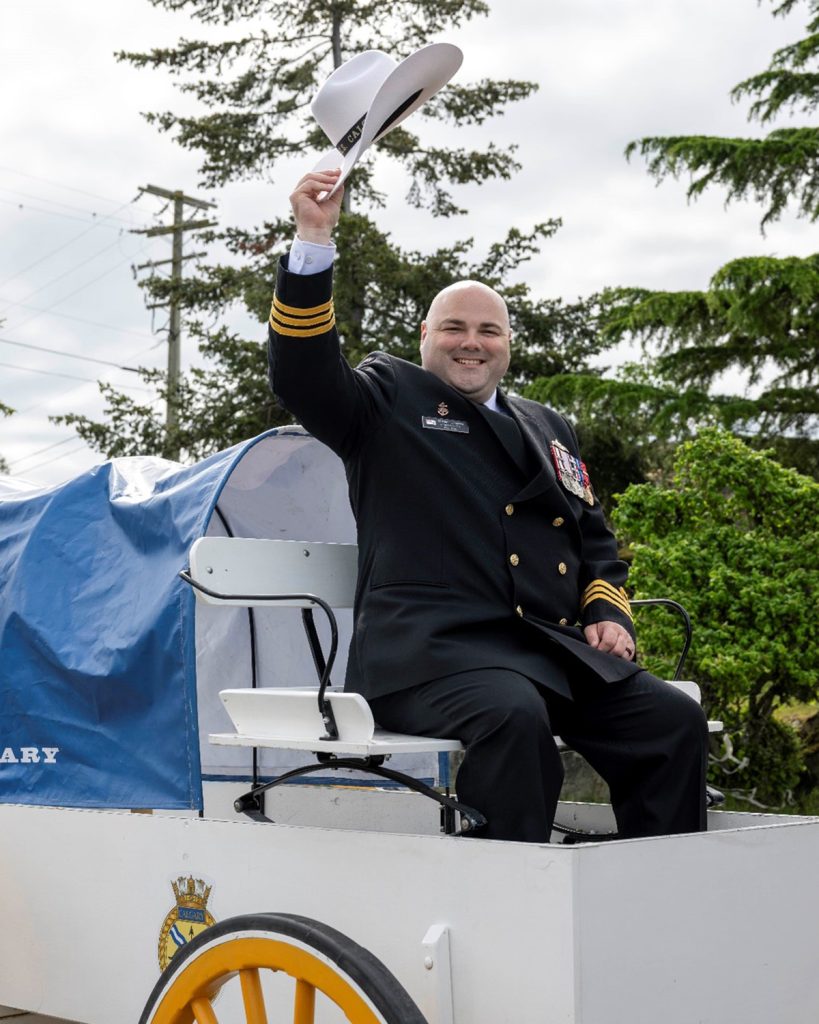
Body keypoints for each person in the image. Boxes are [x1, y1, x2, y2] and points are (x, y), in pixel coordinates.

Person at [267, 168, 709, 843]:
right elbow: (302, 371)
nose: (471, 341)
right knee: (513, 716)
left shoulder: (548, 426)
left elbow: (593, 541)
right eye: (453, 327)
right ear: (425, 335)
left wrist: (601, 612)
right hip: (428, 657)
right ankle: (508, 889)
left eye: (488, 330)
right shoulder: (385, 400)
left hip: (545, 650)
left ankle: (655, 883)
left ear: (507, 342)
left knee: (669, 723)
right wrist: (313, 242)